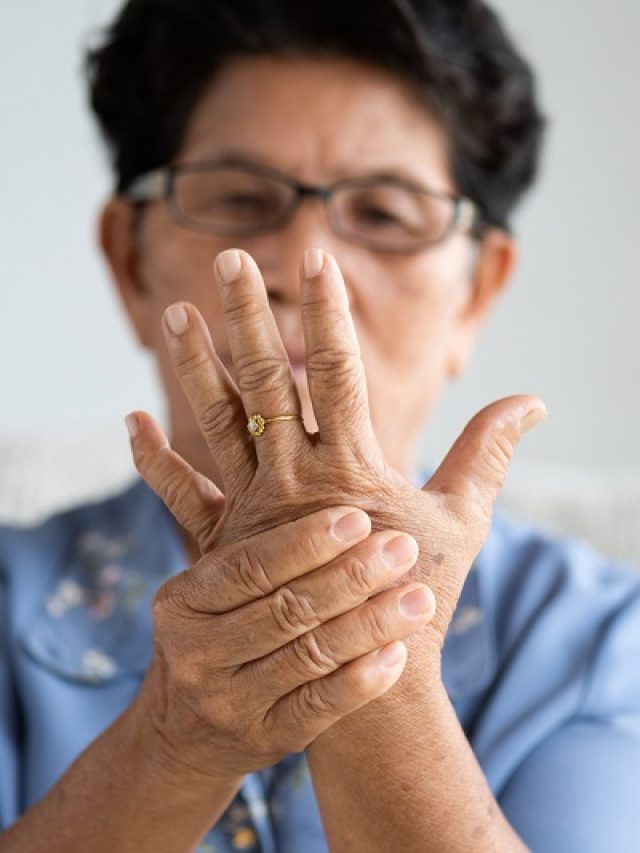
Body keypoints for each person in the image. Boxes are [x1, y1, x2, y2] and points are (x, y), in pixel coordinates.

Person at [1, 0, 639, 850]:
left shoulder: (597, 638)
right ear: (130, 264)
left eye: (383, 214)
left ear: (476, 293)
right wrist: (175, 741)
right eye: (237, 198)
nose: (307, 268)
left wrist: (375, 653)